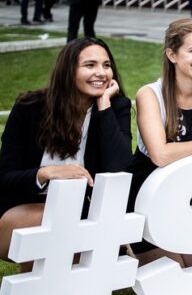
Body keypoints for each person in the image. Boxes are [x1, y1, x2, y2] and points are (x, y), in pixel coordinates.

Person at [0, 38, 132, 271]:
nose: (101, 73)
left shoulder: (115, 107)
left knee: (81, 255)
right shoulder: (30, 107)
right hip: (20, 209)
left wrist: (103, 106)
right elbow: (5, 176)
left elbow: (120, 168)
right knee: (52, 225)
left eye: (106, 65)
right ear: (68, 70)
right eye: (90, 65)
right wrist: (45, 173)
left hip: (76, 212)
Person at [128, 18, 192, 265]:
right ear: (172, 55)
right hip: (147, 193)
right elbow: (160, 155)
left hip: (187, 189)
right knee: (174, 268)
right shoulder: (149, 94)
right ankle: (127, 242)